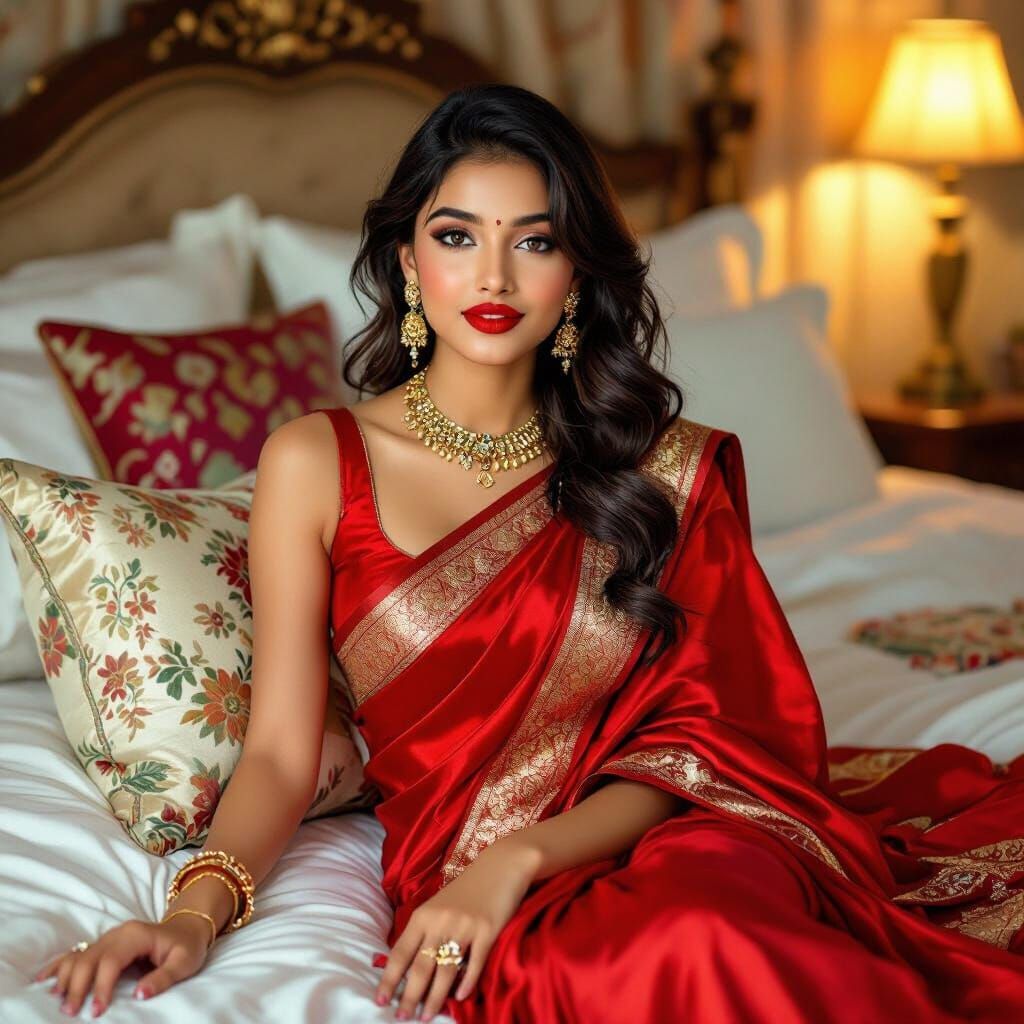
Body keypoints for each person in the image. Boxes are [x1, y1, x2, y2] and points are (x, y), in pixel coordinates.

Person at [36, 83, 1023, 1023]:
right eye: (456, 236)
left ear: (578, 272)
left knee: (715, 930)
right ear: (409, 262)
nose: (494, 277)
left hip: (664, 832)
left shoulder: (657, 470)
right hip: (463, 861)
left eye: (534, 241)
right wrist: (190, 912)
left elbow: (704, 742)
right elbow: (282, 753)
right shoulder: (316, 460)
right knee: (665, 954)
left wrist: (519, 861)